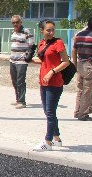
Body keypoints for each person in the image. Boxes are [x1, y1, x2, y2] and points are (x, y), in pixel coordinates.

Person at [30, 19, 70, 151]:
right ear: (41, 31)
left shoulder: (58, 43)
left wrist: (52, 72)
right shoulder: (42, 43)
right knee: (48, 112)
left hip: (54, 82)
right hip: (44, 81)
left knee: (50, 112)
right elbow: (44, 61)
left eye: (52, 29)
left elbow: (65, 62)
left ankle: (48, 141)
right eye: (48, 30)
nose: (51, 32)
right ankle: (56, 137)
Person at [71, 16, 92, 121]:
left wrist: (74, 64)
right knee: (87, 91)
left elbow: (74, 50)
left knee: (80, 89)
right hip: (90, 64)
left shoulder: (79, 35)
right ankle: (83, 114)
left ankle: (77, 111)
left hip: (80, 64)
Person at [8, 15, 34, 109]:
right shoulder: (13, 32)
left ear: (21, 22)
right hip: (13, 60)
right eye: (13, 23)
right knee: (14, 80)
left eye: (17, 22)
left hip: (22, 61)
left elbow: (31, 45)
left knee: (20, 81)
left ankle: (22, 101)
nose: (15, 24)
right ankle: (17, 99)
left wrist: (28, 57)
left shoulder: (26, 32)